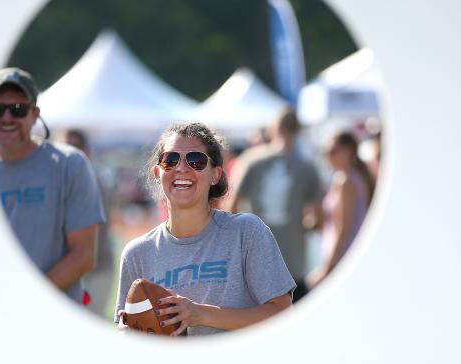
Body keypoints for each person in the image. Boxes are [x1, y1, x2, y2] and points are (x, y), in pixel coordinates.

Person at [114, 122, 295, 336]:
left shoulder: (246, 232)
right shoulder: (137, 254)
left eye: (196, 161)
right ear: (157, 172)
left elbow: (283, 313)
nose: (181, 168)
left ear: (215, 175)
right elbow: (126, 334)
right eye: (170, 160)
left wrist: (201, 314)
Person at [0, 67, 106, 304]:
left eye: (17, 109)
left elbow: (84, 255)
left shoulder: (69, 164)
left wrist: (28, 299)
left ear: (35, 114)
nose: (7, 118)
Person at [227, 108, 323, 303]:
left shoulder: (251, 160)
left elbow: (231, 207)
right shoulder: (307, 167)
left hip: (254, 262)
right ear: (298, 130)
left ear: (272, 130)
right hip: (292, 263)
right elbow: (317, 219)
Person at [306, 131, 374, 288]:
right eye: (325, 152)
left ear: (349, 151)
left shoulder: (345, 180)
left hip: (343, 258)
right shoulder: (352, 177)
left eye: (332, 151)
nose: (328, 156)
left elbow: (344, 228)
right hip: (347, 256)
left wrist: (326, 268)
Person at [62, 129, 115, 317]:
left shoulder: (95, 181)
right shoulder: (57, 181)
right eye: (66, 147)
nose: (70, 153)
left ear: (86, 150)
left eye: (75, 147)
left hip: (97, 266)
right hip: (66, 269)